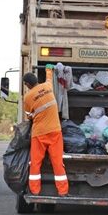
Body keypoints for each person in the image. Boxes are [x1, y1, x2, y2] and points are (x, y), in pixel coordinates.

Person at [23, 64, 69, 197]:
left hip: (39, 134)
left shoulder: (27, 97)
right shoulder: (48, 87)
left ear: (27, 84)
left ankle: (35, 191)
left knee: (35, 164)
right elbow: (49, 79)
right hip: (55, 131)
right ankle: (63, 192)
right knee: (57, 162)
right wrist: (48, 69)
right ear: (36, 80)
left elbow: (29, 115)